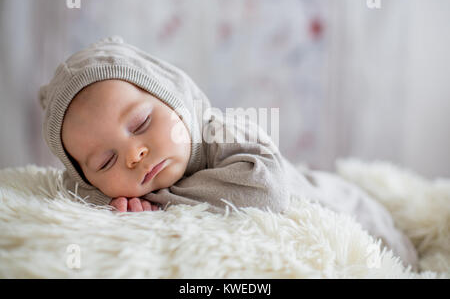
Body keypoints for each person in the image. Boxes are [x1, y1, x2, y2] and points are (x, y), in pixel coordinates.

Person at [38, 36, 418, 270]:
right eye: (105, 162)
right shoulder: (105, 188)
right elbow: (76, 194)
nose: (135, 154)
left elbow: (264, 190)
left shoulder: (220, 131)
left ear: (173, 97)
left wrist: (160, 202)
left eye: (139, 124)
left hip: (362, 218)